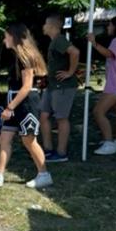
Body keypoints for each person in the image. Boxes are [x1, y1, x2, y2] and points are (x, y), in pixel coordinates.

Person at [0, 23, 53, 189]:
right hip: (17, 100)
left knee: (29, 140)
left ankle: (44, 174)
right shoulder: (19, 55)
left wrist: (10, 107)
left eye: (6, 36)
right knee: (4, 137)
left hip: (25, 103)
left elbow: (26, 86)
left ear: (14, 36)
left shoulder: (24, 57)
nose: (4, 39)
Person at [88, 15, 116, 155]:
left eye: (110, 25)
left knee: (98, 111)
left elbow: (109, 54)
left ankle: (108, 142)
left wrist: (94, 43)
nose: (108, 27)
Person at [40, 14, 80, 162]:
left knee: (61, 118)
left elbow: (75, 52)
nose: (43, 27)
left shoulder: (59, 40)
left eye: (45, 24)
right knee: (44, 115)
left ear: (52, 26)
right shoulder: (54, 42)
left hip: (62, 87)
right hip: (52, 86)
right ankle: (48, 149)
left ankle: (61, 153)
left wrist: (70, 72)